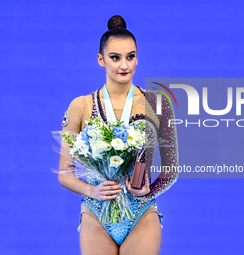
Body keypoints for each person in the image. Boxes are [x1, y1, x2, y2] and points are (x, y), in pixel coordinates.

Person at [58, 15, 179, 255]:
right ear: (101, 60)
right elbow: (64, 173)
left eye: (130, 57)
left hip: (140, 211)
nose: (124, 65)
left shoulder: (157, 103)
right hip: (96, 209)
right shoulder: (80, 106)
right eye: (115, 57)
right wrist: (91, 190)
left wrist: (149, 191)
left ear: (137, 58)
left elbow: (171, 169)